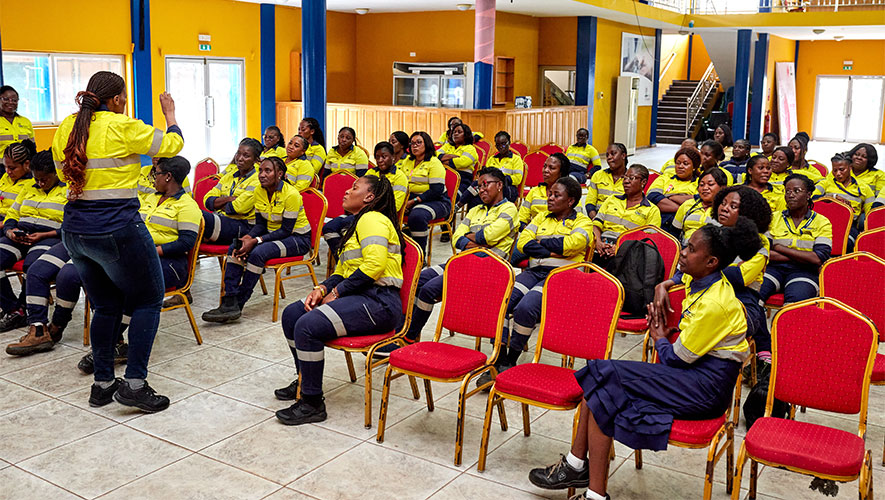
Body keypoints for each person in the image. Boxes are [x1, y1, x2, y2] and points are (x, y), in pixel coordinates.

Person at [528, 219, 759, 500]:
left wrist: (659, 336)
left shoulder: (716, 304)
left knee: (601, 378)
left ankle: (580, 472)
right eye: (685, 245)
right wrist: (663, 285)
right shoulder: (700, 278)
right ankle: (584, 478)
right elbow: (680, 276)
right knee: (598, 387)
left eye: (691, 249)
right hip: (690, 376)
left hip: (705, 389)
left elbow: (674, 359)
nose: (683, 253)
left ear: (711, 262)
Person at [51, 71, 182, 412]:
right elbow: (172, 146)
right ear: (118, 99)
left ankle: (103, 384)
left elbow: (59, 168)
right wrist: (170, 115)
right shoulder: (123, 126)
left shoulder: (66, 127)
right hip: (115, 226)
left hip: (75, 229)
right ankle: (135, 385)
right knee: (149, 299)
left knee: (106, 305)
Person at [276, 175, 405, 425]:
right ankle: (305, 380)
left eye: (355, 188)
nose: (346, 191)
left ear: (369, 197)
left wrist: (337, 293)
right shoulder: (358, 222)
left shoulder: (373, 219)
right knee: (293, 314)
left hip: (379, 304)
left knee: (307, 325)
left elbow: (374, 266)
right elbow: (344, 270)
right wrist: (322, 288)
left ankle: (312, 403)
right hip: (360, 296)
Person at [477, 177, 594, 386]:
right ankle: (499, 357)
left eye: (557, 195)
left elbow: (575, 243)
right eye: (550, 194)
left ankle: (511, 359)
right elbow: (523, 242)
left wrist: (541, 242)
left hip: (561, 276)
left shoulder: (583, 222)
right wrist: (555, 249)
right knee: (502, 300)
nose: (550, 198)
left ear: (570, 201)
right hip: (534, 271)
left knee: (526, 307)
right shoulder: (541, 217)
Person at [402, 167, 518, 346]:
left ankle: (409, 336)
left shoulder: (509, 209)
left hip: (488, 267)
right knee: (417, 280)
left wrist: (474, 238)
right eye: (479, 186)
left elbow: (487, 236)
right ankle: (404, 329)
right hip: (462, 262)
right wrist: (478, 241)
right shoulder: (475, 210)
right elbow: (457, 238)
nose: (481, 190)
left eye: (486, 184)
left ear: (500, 185)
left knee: (428, 290)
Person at [203, 157, 312, 323]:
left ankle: (239, 302)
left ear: (280, 174)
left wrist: (256, 241)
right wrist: (248, 237)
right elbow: (261, 225)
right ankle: (229, 300)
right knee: (236, 245)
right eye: (260, 170)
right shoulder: (259, 191)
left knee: (259, 253)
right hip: (273, 235)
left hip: (297, 239)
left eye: (267, 171)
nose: (262, 174)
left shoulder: (291, 195)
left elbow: (285, 230)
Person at [1, 149, 66, 353]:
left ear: (56, 174)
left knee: (34, 267)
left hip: (49, 237)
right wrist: (10, 230)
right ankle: (14, 309)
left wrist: (46, 235)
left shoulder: (68, 191)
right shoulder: (29, 186)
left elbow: (72, 225)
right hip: (21, 234)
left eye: (44, 179)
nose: (39, 183)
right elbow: (13, 212)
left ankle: (31, 317)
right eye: (37, 179)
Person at [324, 142, 408, 255]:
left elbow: (395, 205)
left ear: (393, 157)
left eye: (384, 156)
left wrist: (366, 210)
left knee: (345, 227)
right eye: (377, 157)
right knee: (329, 228)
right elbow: (359, 196)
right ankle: (342, 258)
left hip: (380, 216)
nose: (380, 160)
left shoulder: (399, 177)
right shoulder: (371, 172)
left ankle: (353, 259)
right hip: (359, 212)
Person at [760, 174, 832, 305]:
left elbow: (818, 258)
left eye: (796, 191)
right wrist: (803, 256)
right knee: (753, 295)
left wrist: (779, 247)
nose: (790, 195)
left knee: (795, 302)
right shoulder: (773, 218)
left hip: (805, 272)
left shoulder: (822, 222)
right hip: (773, 268)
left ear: (809, 195)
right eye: (787, 191)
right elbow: (764, 252)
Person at [0, 140, 36, 331]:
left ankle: (18, 310)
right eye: (5, 167)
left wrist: (5, 225)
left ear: (27, 165)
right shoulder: (4, 179)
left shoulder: (33, 183)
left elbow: (21, 216)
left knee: (33, 266)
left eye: (12, 168)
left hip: (22, 231)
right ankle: (13, 308)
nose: (8, 171)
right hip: (6, 227)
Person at [592, 164, 661, 264]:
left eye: (631, 178)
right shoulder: (612, 199)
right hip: (602, 246)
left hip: (628, 254)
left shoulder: (652, 210)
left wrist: (620, 248)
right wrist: (598, 241)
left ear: (643, 182)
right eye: (624, 177)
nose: (626, 181)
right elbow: (596, 224)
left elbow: (648, 241)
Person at [202, 138, 260, 245]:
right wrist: (228, 199)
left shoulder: (258, 180)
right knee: (187, 217)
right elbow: (207, 200)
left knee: (197, 217)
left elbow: (238, 208)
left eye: (246, 156)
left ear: (256, 160)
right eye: (238, 154)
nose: (240, 158)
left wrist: (217, 203)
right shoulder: (229, 176)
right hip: (222, 219)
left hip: (242, 227)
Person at [813, 152, 875, 248]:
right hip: (823, 223)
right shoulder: (825, 183)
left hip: (849, 226)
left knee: (846, 244)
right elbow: (811, 199)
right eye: (835, 170)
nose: (838, 173)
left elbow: (871, 214)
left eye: (842, 170)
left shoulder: (863, 188)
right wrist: (832, 197)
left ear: (850, 168)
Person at [401, 131, 449, 253]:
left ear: (426, 144)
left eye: (418, 143)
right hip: (411, 199)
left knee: (418, 215)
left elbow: (436, 190)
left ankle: (419, 255)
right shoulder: (407, 161)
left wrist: (413, 201)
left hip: (437, 201)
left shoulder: (434, 163)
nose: (414, 146)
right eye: (412, 143)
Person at [647, 147, 699, 233]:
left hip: (684, 226)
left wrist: (670, 197)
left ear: (694, 167)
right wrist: (683, 208)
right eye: (678, 163)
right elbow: (652, 197)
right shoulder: (665, 178)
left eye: (685, 164)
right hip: (659, 222)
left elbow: (697, 202)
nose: (680, 166)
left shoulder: (699, 183)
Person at [673, 167, 727, 245]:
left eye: (710, 184)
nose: (705, 188)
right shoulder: (688, 205)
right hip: (687, 249)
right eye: (701, 185)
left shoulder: (727, 208)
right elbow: (674, 232)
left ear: (723, 187)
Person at [519, 152, 568, 229]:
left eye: (551, 168)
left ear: (561, 173)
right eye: (545, 166)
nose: (546, 170)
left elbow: (576, 220)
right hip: (535, 233)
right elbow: (522, 218)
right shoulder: (534, 191)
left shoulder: (569, 192)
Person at [474, 131, 522, 205]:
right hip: (491, 186)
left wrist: (501, 179)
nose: (500, 147)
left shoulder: (516, 159)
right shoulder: (491, 159)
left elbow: (518, 178)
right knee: (475, 190)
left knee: (485, 194)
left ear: (509, 143)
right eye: (498, 145)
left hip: (508, 187)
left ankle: (458, 205)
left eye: (503, 144)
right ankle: (463, 208)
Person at [584, 143, 629, 218]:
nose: (609, 157)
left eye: (613, 154)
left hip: (619, 220)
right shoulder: (598, 175)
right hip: (597, 217)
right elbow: (590, 202)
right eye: (607, 155)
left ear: (623, 155)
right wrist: (595, 220)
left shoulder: (631, 179)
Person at [438, 123, 479, 200]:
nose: (455, 134)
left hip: (462, 180)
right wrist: (452, 156)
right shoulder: (447, 146)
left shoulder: (470, 148)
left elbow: (463, 162)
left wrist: (444, 161)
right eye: (454, 132)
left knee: (450, 199)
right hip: (443, 178)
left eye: (459, 132)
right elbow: (435, 156)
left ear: (466, 135)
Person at [0, 86, 35, 156]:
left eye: (14, 100)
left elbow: (32, 147)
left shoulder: (26, 121)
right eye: (6, 99)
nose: (11, 102)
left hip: (23, 165)